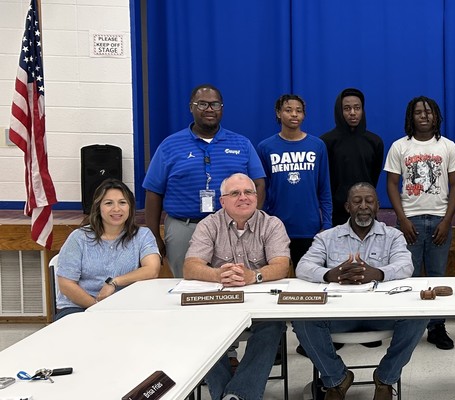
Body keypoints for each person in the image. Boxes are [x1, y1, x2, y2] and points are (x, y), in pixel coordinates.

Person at [292, 183, 427, 400]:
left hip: (382, 313)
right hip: (339, 314)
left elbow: (406, 265)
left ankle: (385, 378)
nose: (363, 206)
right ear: (347, 207)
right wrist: (330, 274)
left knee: (420, 316)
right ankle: (337, 379)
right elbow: (303, 267)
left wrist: (378, 273)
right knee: (301, 321)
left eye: (369, 201)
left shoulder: (393, 236)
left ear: (377, 206)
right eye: (357, 201)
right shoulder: (327, 237)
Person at [184, 173, 290, 400]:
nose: (243, 197)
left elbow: (282, 266)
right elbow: (191, 267)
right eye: (235, 193)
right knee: (201, 328)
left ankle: (236, 395)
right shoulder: (209, 225)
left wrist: (254, 276)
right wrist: (218, 275)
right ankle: (235, 395)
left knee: (273, 326)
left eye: (248, 192)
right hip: (219, 305)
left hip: (261, 306)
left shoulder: (272, 224)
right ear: (222, 201)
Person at [143, 84, 266, 278]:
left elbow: (258, 184)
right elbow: (153, 191)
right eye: (202, 104)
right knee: (187, 283)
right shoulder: (170, 145)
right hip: (184, 227)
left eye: (215, 104)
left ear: (222, 108)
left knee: (231, 280)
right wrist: (153, 236)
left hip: (231, 227)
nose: (209, 109)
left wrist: (248, 220)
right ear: (190, 107)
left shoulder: (241, 144)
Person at [384, 96, 455, 350]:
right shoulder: (399, 147)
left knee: (438, 275)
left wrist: (447, 221)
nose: (424, 116)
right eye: (418, 112)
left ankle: (437, 327)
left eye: (428, 112)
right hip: (410, 222)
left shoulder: (448, 146)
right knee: (409, 275)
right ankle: (409, 325)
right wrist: (403, 220)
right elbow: (391, 185)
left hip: (440, 219)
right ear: (411, 116)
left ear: (436, 116)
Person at [54, 179, 160, 320]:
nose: (116, 209)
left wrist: (115, 282)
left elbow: (152, 270)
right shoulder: (79, 238)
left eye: (122, 203)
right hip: (79, 307)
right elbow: (66, 285)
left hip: (126, 307)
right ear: (98, 207)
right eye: (109, 203)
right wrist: (97, 307)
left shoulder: (142, 235)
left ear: (130, 207)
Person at [257, 94, 332, 266]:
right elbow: (262, 189)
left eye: (299, 111)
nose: (294, 114)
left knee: (309, 281)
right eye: (288, 110)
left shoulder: (317, 146)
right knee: (278, 279)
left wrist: (327, 224)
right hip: (277, 228)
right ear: (278, 113)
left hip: (310, 229)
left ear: (304, 115)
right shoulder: (265, 147)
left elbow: (324, 189)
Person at [321, 87, 384, 226]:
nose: (353, 113)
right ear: (340, 111)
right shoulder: (326, 142)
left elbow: (374, 176)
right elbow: (324, 180)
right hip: (336, 214)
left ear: (363, 110)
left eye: (357, 108)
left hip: (366, 211)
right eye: (347, 108)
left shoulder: (375, 142)